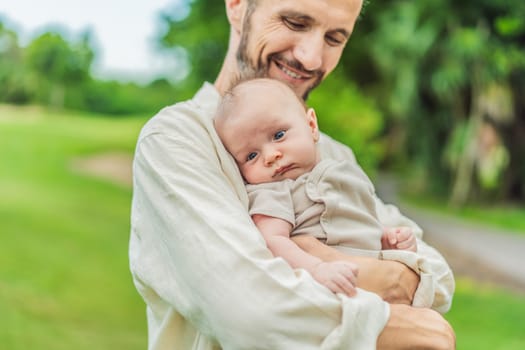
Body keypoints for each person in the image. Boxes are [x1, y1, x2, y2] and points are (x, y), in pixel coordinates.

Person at [129, 0, 456, 349]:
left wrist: (335, 261)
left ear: (311, 124)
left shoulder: (331, 153)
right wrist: (403, 324)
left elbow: (437, 274)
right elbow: (254, 314)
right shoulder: (177, 139)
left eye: (334, 38)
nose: (312, 58)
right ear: (237, 6)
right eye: (295, 22)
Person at [215, 77, 428, 298]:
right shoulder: (273, 191)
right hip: (332, 284)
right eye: (251, 156)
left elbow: (359, 221)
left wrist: (386, 238)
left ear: (311, 126)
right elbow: (273, 241)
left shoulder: (343, 170)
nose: (270, 156)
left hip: (375, 277)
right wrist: (317, 269)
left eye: (278, 135)